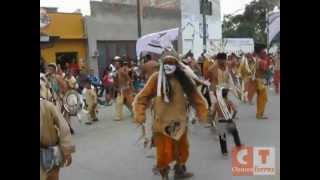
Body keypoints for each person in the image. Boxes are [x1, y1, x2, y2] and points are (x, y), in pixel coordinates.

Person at [133, 48, 208, 179]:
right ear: (162, 64)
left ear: (177, 64)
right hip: (161, 123)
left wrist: (202, 111)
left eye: (172, 63)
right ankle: (164, 175)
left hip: (180, 122)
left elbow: (195, 96)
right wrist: (140, 113)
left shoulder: (184, 78)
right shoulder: (156, 79)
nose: (169, 66)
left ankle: (179, 171)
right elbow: (142, 98)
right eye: (166, 63)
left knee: (182, 150)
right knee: (164, 153)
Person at [40, 84, 75, 180]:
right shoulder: (47, 105)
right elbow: (64, 127)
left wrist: (67, 150)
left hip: (51, 153)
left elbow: (63, 127)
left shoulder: (47, 105)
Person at [212, 88, 242, 157]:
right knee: (235, 133)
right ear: (226, 95)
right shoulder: (229, 102)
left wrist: (213, 120)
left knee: (222, 138)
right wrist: (232, 117)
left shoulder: (217, 104)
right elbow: (235, 111)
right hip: (228, 120)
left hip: (220, 121)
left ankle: (224, 152)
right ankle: (238, 146)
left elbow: (213, 114)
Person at [113, 57, 134, 121]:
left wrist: (130, 87)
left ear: (120, 64)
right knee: (125, 102)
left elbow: (128, 79)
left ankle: (118, 116)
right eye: (115, 63)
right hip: (121, 89)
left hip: (125, 89)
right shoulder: (117, 71)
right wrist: (116, 87)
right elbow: (116, 81)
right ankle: (133, 112)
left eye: (117, 63)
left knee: (123, 102)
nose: (115, 65)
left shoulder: (121, 70)